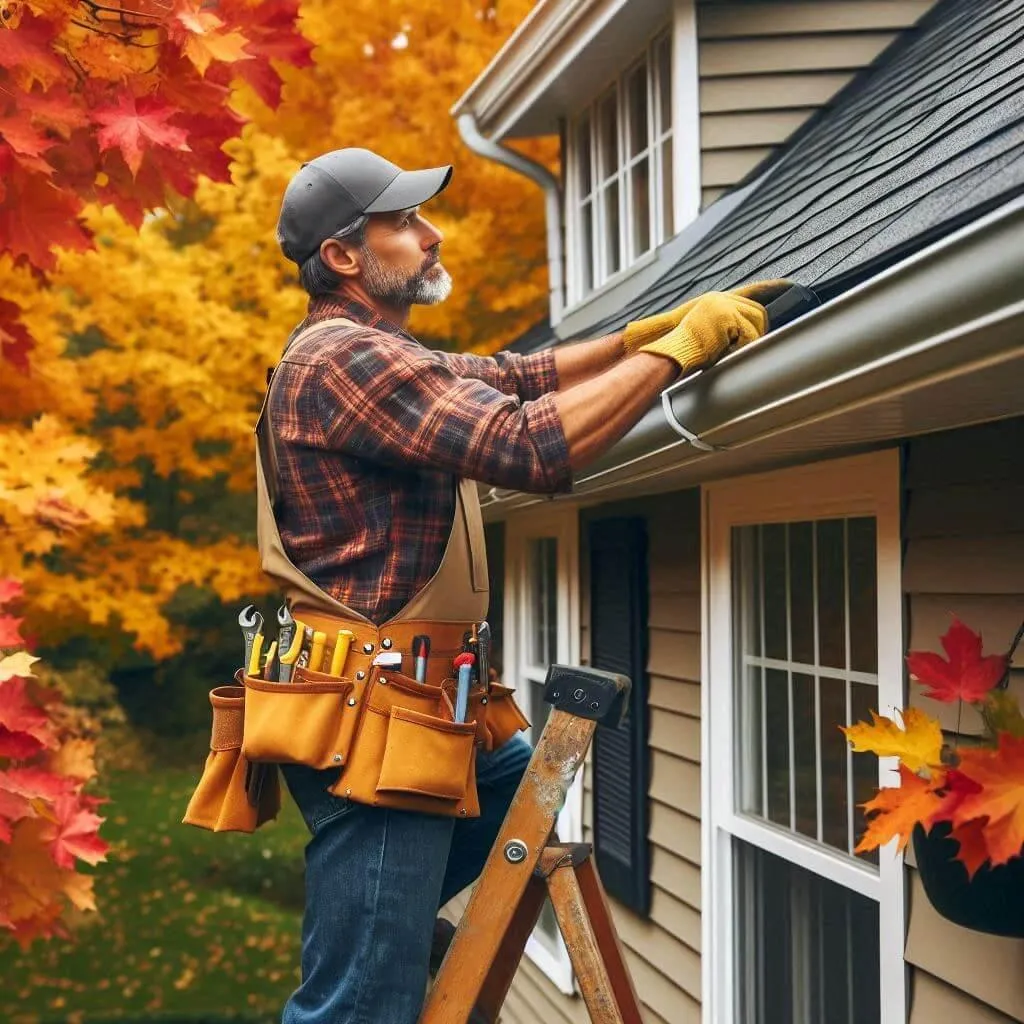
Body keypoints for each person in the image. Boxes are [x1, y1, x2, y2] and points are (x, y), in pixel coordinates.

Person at [269, 147, 782, 1024]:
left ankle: (385, 933)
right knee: (358, 1008)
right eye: (404, 223)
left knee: (514, 795)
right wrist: (681, 354)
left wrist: (636, 336)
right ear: (346, 258)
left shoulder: (382, 355)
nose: (431, 236)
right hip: (375, 728)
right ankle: (373, 963)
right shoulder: (343, 360)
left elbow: (513, 376)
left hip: (426, 704)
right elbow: (529, 445)